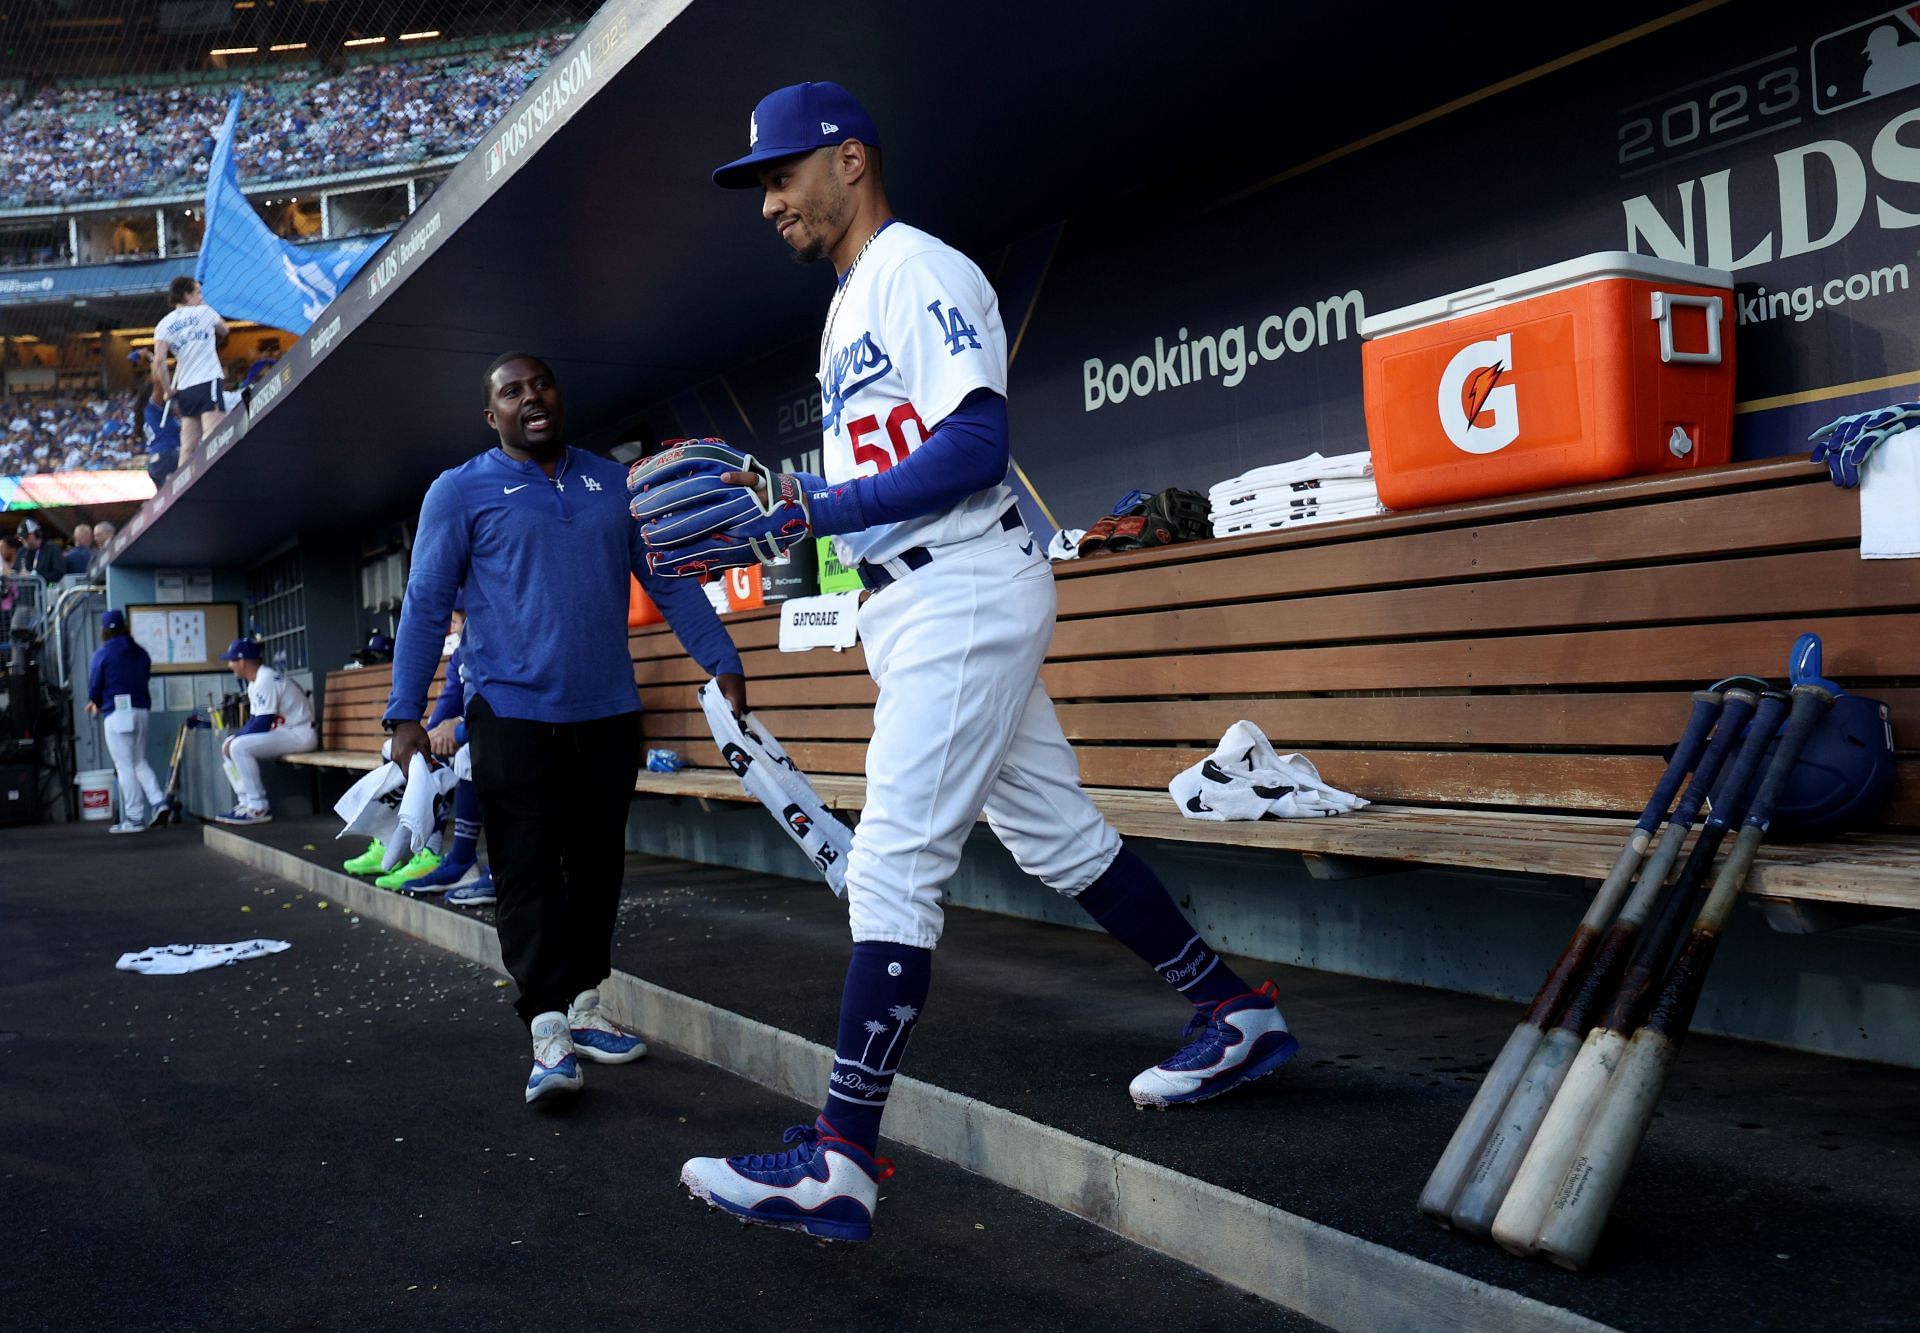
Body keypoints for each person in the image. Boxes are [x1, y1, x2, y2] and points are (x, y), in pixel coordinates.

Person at [678, 83, 1296, 1242]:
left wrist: (818, 506)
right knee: (1054, 836)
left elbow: (976, 443)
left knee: (893, 870)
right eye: (760, 183)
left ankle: (840, 1156)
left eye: (780, 174)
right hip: (916, 600)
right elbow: (888, 472)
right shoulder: (851, 301)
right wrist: (805, 527)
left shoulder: (919, 268)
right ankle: (1233, 1009)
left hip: (962, 584)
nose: (767, 202)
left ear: (849, 160)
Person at [383, 352, 748, 1106]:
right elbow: (424, 603)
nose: (531, 398)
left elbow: (668, 580)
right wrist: (405, 712)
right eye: (511, 392)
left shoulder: (614, 485)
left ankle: (585, 1005)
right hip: (511, 713)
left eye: (541, 384)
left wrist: (722, 660)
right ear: (493, 417)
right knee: (525, 868)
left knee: (597, 866)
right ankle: (547, 1026)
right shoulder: (459, 491)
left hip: (608, 712)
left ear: (560, 395)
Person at [213, 636, 317, 824]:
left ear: (243, 661)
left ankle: (258, 807)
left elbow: (262, 723)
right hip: (286, 732)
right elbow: (254, 720)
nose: (230, 665)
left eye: (232, 660)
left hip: (300, 733)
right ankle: (246, 802)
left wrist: (235, 740)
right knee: (229, 745)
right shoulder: (255, 681)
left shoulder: (265, 678)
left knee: (238, 747)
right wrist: (233, 739)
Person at [85, 609, 169, 832]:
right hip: (142, 710)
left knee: (124, 767)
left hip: (117, 713)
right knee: (139, 761)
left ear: (103, 630)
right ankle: (158, 802)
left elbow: (94, 686)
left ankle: (133, 817)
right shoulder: (140, 652)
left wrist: (96, 700)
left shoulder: (102, 654)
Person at [151, 276, 229, 463]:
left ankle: (182, 490)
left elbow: (159, 361)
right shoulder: (204, 312)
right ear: (187, 295)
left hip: (185, 388)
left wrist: (168, 390)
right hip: (208, 381)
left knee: (187, 449)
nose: (201, 297)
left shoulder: (163, 325)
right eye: (198, 292)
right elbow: (225, 330)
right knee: (215, 439)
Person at [142, 382, 181, 485]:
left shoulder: (163, 417)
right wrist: (168, 389)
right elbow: (158, 384)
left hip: (154, 461)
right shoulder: (152, 409)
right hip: (167, 456)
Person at [18, 518, 65, 584]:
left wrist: (35, 577)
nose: (23, 541)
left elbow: (59, 573)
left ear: (35, 534)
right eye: (21, 539)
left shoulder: (52, 549)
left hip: (48, 592)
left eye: (25, 537)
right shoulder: (22, 551)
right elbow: (16, 570)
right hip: (26, 592)